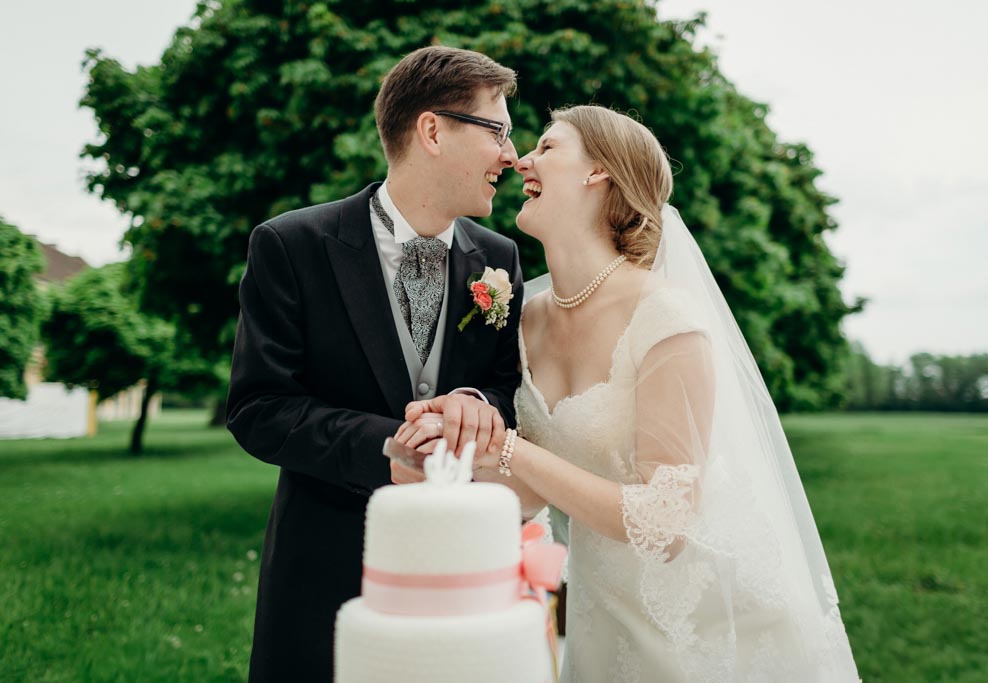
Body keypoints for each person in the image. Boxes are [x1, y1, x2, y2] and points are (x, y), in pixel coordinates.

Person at [402, 105, 860, 681]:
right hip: (601, 616)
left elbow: (665, 523)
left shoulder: (666, 317)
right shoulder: (521, 320)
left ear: (599, 174)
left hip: (705, 627)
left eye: (546, 147)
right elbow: (530, 492)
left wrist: (513, 451)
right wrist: (451, 443)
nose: (520, 160)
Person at [226, 46, 524, 682]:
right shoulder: (291, 245)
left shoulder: (501, 258)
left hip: (459, 571)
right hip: (324, 566)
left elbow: (505, 387)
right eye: (497, 130)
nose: (512, 155)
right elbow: (259, 408)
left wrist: (475, 402)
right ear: (433, 130)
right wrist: (385, 449)